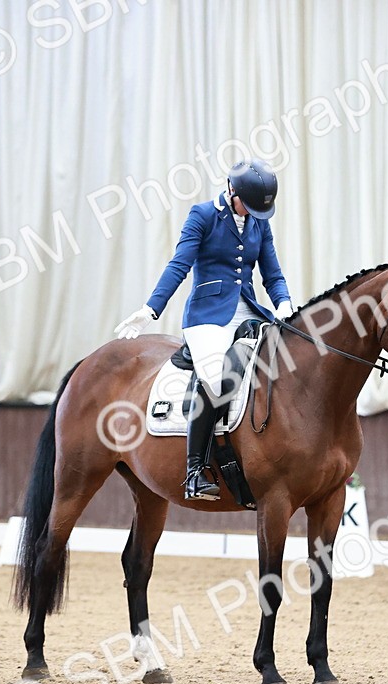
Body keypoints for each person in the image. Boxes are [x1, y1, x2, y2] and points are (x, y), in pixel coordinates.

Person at [114, 159, 294, 500]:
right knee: (215, 380)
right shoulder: (203, 216)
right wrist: (150, 309)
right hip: (207, 315)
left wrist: (284, 302)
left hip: (249, 311)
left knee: (284, 363)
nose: (254, 214)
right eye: (249, 205)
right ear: (231, 190)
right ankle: (195, 471)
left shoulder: (258, 223)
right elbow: (179, 265)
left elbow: (272, 273)